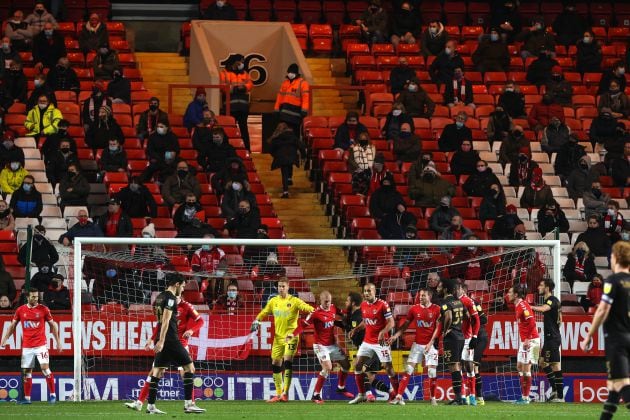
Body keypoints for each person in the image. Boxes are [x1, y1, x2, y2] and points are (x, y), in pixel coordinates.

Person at [136, 275, 205, 414]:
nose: (183, 289)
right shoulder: (171, 298)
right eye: (183, 286)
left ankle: (150, 406)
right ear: (177, 284)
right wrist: (161, 341)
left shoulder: (160, 297)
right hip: (171, 340)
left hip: (163, 340)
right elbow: (166, 320)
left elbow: (159, 321)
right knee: (189, 368)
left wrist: (156, 339)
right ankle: (189, 404)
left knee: (157, 371)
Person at [580, 241, 630, 420]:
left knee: (622, 383)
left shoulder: (613, 281)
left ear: (615, 257)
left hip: (616, 339)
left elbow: (602, 310)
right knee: (614, 387)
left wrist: (588, 335)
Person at [251, 278, 314, 402]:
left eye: (283, 286)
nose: (281, 288)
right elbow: (264, 312)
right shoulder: (273, 301)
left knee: (287, 360)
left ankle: (285, 393)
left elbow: (308, 308)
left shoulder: (294, 301)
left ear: (288, 287)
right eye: (279, 286)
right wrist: (257, 320)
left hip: (291, 337)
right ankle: (278, 394)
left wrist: (314, 312)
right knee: (275, 363)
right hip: (278, 337)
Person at [291, 290, 354, 404]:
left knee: (346, 365)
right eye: (325, 302)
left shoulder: (333, 308)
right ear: (320, 301)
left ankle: (341, 387)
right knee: (328, 367)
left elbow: (343, 312)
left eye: (329, 301)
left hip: (332, 345)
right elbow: (303, 325)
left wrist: (353, 312)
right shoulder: (315, 313)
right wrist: (293, 334)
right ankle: (316, 395)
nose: (327, 304)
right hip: (320, 345)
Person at [0, 288, 61, 404]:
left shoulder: (44, 309)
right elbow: (12, 326)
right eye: (33, 297)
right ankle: (27, 399)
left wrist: (58, 342)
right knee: (27, 372)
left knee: (45, 369)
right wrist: (4, 339)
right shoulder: (20, 310)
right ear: (27, 297)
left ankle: (53, 395)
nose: (35, 299)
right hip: (27, 347)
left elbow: (53, 325)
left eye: (37, 296)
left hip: (41, 345)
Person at [388, 288, 440, 405]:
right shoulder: (414, 309)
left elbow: (438, 328)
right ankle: (399, 396)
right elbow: (405, 326)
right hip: (417, 345)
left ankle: (433, 398)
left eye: (423, 296)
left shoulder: (437, 309)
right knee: (409, 369)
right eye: (420, 295)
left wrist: (431, 343)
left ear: (429, 296)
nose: (421, 297)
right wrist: (395, 336)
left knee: (432, 372)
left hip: (430, 346)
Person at [347, 283, 397, 404]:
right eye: (365, 291)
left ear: (375, 292)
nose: (366, 293)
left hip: (381, 342)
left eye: (369, 291)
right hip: (367, 342)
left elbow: (391, 323)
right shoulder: (363, 305)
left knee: (389, 368)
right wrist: (356, 329)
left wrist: (383, 332)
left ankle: (397, 396)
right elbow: (365, 321)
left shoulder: (383, 305)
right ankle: (362, 394)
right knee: (357, 365)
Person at [530, 279, 565, 403]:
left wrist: (529, 307)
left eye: (541, 285)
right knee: (542, 362)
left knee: (555, 365)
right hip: (551, 337)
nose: (539, 287)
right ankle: (555, 389)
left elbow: (544, 309)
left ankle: (560, 396)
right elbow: (561, 319)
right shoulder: (553, 301)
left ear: (548, 288)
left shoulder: (552, 300)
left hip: (553, 338)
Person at [507, 284, 541, 404]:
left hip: (532, 341)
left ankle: (526, 398)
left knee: (526, 369)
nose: (508, 294)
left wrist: (527, 339)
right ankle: (524, 396)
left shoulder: (523, 305)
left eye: (510, 292)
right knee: (520, 367)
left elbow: (532, 322)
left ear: (516, 295)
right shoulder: (517, 305)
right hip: (526, 340)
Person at [436, 278, 467, 404]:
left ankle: (458, 397)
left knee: (453, 366)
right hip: (460, 336)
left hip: (451, 338)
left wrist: (446, 329)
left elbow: (448, 316)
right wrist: (458, 325)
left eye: (439, 287)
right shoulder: (458, 301)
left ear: (445, 289)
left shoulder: (445, 302)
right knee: (457, 366)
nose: (437, 289)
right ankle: (460, 397)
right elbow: (466, 315)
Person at [220, 55, 253, 149]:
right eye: (240, 62)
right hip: (230, 107)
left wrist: (244, 87)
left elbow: (250, 85)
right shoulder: (224, 73)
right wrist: (236, 89)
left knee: (244, 129)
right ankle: (228, 149)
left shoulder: (245, 73)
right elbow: (222, 87)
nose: (242, 64)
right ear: (234, 62)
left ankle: (247, 150)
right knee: (229, 130)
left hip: (243, 107)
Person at [456, 282, 481, 405]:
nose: (455, 290)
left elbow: (477, 320)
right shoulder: (452, 300)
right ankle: (463, 396)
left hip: (466, 338)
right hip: (455, 338)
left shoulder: (468, 301)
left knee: (468, 365)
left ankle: (472, 395)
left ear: (462, 289)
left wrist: (475, 336)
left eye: (457, 288)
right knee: (458, 366)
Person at [191, 233, 228, 304]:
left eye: (206, 242)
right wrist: (205, 275)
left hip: (216, 276)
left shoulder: (220, 252)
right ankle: (200, 299)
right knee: (195, 278)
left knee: (223, 278)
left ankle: (219, 300)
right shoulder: (198, 252)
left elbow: (223, 267)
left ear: (213, 243)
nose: (204, 244)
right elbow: (195, 268)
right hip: (202, 276)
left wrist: (215, 274)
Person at [274, 63, 310, 134]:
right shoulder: (285, 83)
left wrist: (304, 110)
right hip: (284, 114)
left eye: (292, 72)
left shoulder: (303, 83)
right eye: (289, 72)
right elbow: (279, 97)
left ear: (296, 73)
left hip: (296, 114)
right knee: (283, 134)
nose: (290, 74)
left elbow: (306, 98)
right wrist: (276, 109)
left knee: (294, 134)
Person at [269, 122, 301, 199]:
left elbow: (271, 149)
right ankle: (289, 178)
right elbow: (300, 145)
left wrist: (275, 155)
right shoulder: (292, 135)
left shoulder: (276, 137)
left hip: (281, 157)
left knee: (284, 173)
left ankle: (285, 191)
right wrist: (302, 155)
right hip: (291, 155)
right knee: (289, 164)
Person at [142, 119, 180, 183]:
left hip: (171, 160)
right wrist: (158, 157)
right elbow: (149, 151)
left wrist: (173, 154)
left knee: (182, 166)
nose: (159, 128)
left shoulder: (173, 137)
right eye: (158, 126)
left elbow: (177, 150)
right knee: (151, 168)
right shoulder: (152, 137)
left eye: (161, 127)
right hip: (158, 159)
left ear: (167, 127)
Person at [349, 132, 376, 196]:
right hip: (356, 167)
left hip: (367, 168)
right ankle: (358, 192)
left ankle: (362, 193)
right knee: (358, 174)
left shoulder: (372, 147)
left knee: (366, 173)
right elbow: (351, 160)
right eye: (361, 139)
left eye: (365, 139)